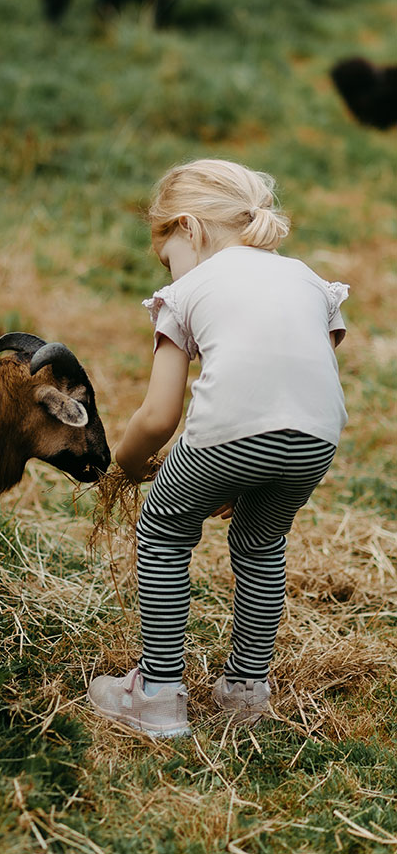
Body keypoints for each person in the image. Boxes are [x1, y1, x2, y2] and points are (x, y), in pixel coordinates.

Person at [87, 158, 349, 737]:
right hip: (317, 439)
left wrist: (125, 469)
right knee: (261, 541)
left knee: (163, 528)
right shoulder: (308, 279)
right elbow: (300, 375)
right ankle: (247, 690)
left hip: (229, 437)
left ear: (188, 228)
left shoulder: (187, 291)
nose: (169, 270)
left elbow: (158, 417)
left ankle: (157, 695)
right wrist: (245, 470)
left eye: (166, 257)